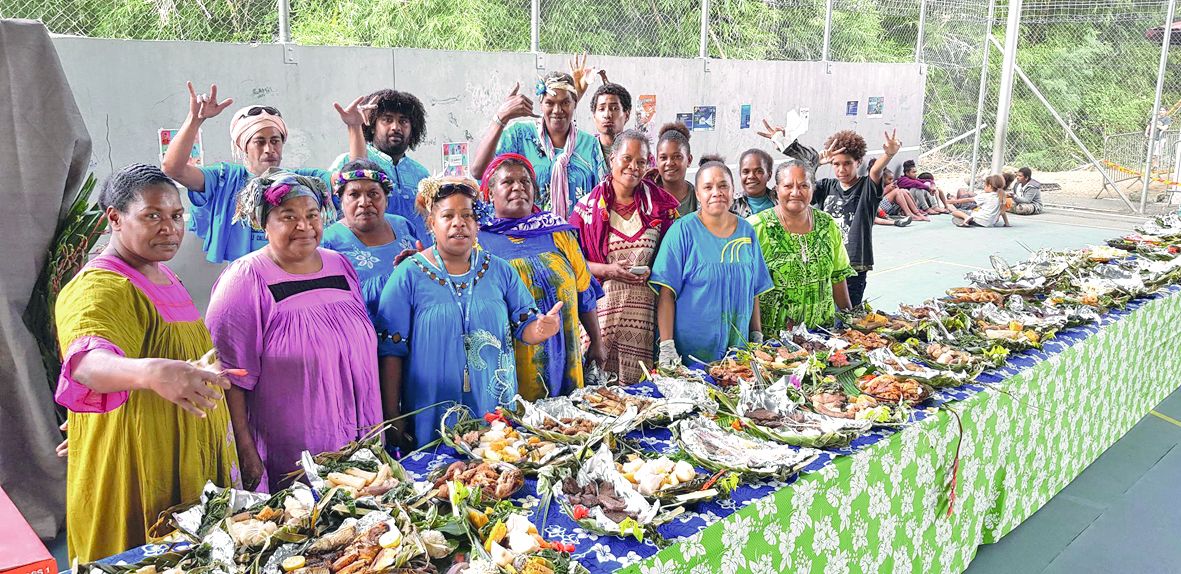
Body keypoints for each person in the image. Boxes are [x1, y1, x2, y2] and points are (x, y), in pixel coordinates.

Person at [53, 165, 238, 561]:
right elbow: (86, 361)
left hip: (186, 453)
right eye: (152, 216)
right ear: (115, 219)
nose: (169, 228)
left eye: (176, 216)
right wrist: (152, 372)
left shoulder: (163, 276)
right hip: (140, 465)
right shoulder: (100, 286)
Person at [206, 171, 382, 492]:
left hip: (359, 435)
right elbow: (230, 377)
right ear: (265, 223)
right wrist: (245, 450)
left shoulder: (340, 266)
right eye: (289, 217)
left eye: (312, 215)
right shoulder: (246, 279)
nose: (304, 226)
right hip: (294, 453)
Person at [377, 177, 562, 447]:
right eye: (448, 216)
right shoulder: (408, 275)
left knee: (493, 475)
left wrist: (543, 329)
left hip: (493, 407)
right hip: (431, 410)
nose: (458, 223)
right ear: (431, 223)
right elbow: (391, 352)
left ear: (477, 223)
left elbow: (527, 328)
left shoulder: (500, 270)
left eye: (467, 216)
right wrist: (392, 416)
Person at [161, 82, 368, 263]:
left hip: (295, 274)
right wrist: (194, 120)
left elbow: (355, 180)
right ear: (243, 147)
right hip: (247, 277)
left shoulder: (304, 181)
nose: (269, 149)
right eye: (260, 142)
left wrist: (354, 127)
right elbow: (173, 168)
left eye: (275, 141)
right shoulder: (225, 179)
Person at [477, 154, 606, 399]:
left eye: (525, 181)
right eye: (508, 182)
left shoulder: (557, 233)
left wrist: (597, 341)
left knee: (569, 427)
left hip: (565, 357)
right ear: (490, 193)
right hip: (512, 364)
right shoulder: (478, 242)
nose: (518, 187)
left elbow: (584, 292)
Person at [570, 129, 680, 384]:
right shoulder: (586, 210)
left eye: (641, 162)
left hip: (643, 320)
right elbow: (569, 262)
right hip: (599, 319)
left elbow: (673, 258)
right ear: (612, 160)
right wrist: (607, 270)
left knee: (637, 398)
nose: (634, 167)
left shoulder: (662, 207)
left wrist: (657, 270)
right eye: (627, 159)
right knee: (596, 397)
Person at [651, 157, 773, 365]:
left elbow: (753, 290)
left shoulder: (747, 231)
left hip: (737, 354)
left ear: (733, 190)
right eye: (708, 187)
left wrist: (756, 335)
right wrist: (667, 345)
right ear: (698, 194)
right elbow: (666, 294)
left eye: (723, 185)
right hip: (690, 354)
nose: (716, 192)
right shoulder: (682, 232)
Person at [761, 125, 900, 307]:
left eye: (847, 163)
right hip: (826, 262)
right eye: (836, 164)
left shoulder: (867, 187)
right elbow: (806, 181)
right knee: (825, 313)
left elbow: (875, 172)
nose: (841, 169)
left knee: (846, 317)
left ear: (858, 162)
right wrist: (809, 156)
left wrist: (889, 154)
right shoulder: (827, 186)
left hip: (853, 266)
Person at [321, 160, 420, 409]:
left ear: (386, 198)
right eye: (354, 194)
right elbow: (329, 303)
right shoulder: (328, 242)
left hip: (413, 341)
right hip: (364, 351)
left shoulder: (402, 225)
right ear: (340, 200)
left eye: (373, 194)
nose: (365, 202)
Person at [471, 73, 605, 218]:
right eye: (550, 103)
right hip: (528, 236)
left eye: (565, 103)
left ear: (575, 103)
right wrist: (501, 118)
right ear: (541, 104)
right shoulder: (520, 136)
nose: (557, 110)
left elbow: (602, 197)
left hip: (577, 237)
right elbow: (479, 171)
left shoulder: (590, 145)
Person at [750, 159, 855, 332]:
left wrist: (849, 321)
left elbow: (838, 276)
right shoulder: (756, 228)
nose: (796, 192)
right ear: (776, 190)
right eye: (788, 186)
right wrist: (756, 335)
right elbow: (748, 288)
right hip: (773, 344)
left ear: (812, 189)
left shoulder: (827, 224)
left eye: (804, 186)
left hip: (823, 337)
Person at [328, 89, 432, 244]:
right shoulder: (346, 162)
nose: (396, 127)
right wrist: (354, 126)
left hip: (417, 259)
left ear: (413, 129)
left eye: (403, 121)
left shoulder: (421, 174)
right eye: (387, 120)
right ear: (372, 126)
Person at [653, 122, 696, 215]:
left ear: (689, 160)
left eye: (677, 157)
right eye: (663, 158)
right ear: (657, 161)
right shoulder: (648, 196)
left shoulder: (699, 198)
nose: (669, 163)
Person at [589, 82, 632, 170]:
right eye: (601, 109)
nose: (607, 115)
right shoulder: (583, 151)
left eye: (614, 109)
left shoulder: (639, 150)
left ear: (626, 115)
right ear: (594, 116)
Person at [731, 148, 778, 217]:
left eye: (759, 171)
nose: (751, 176)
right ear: (740, 174)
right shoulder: (730, 205)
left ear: (769, 175)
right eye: (746, 172)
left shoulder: (780, 200)